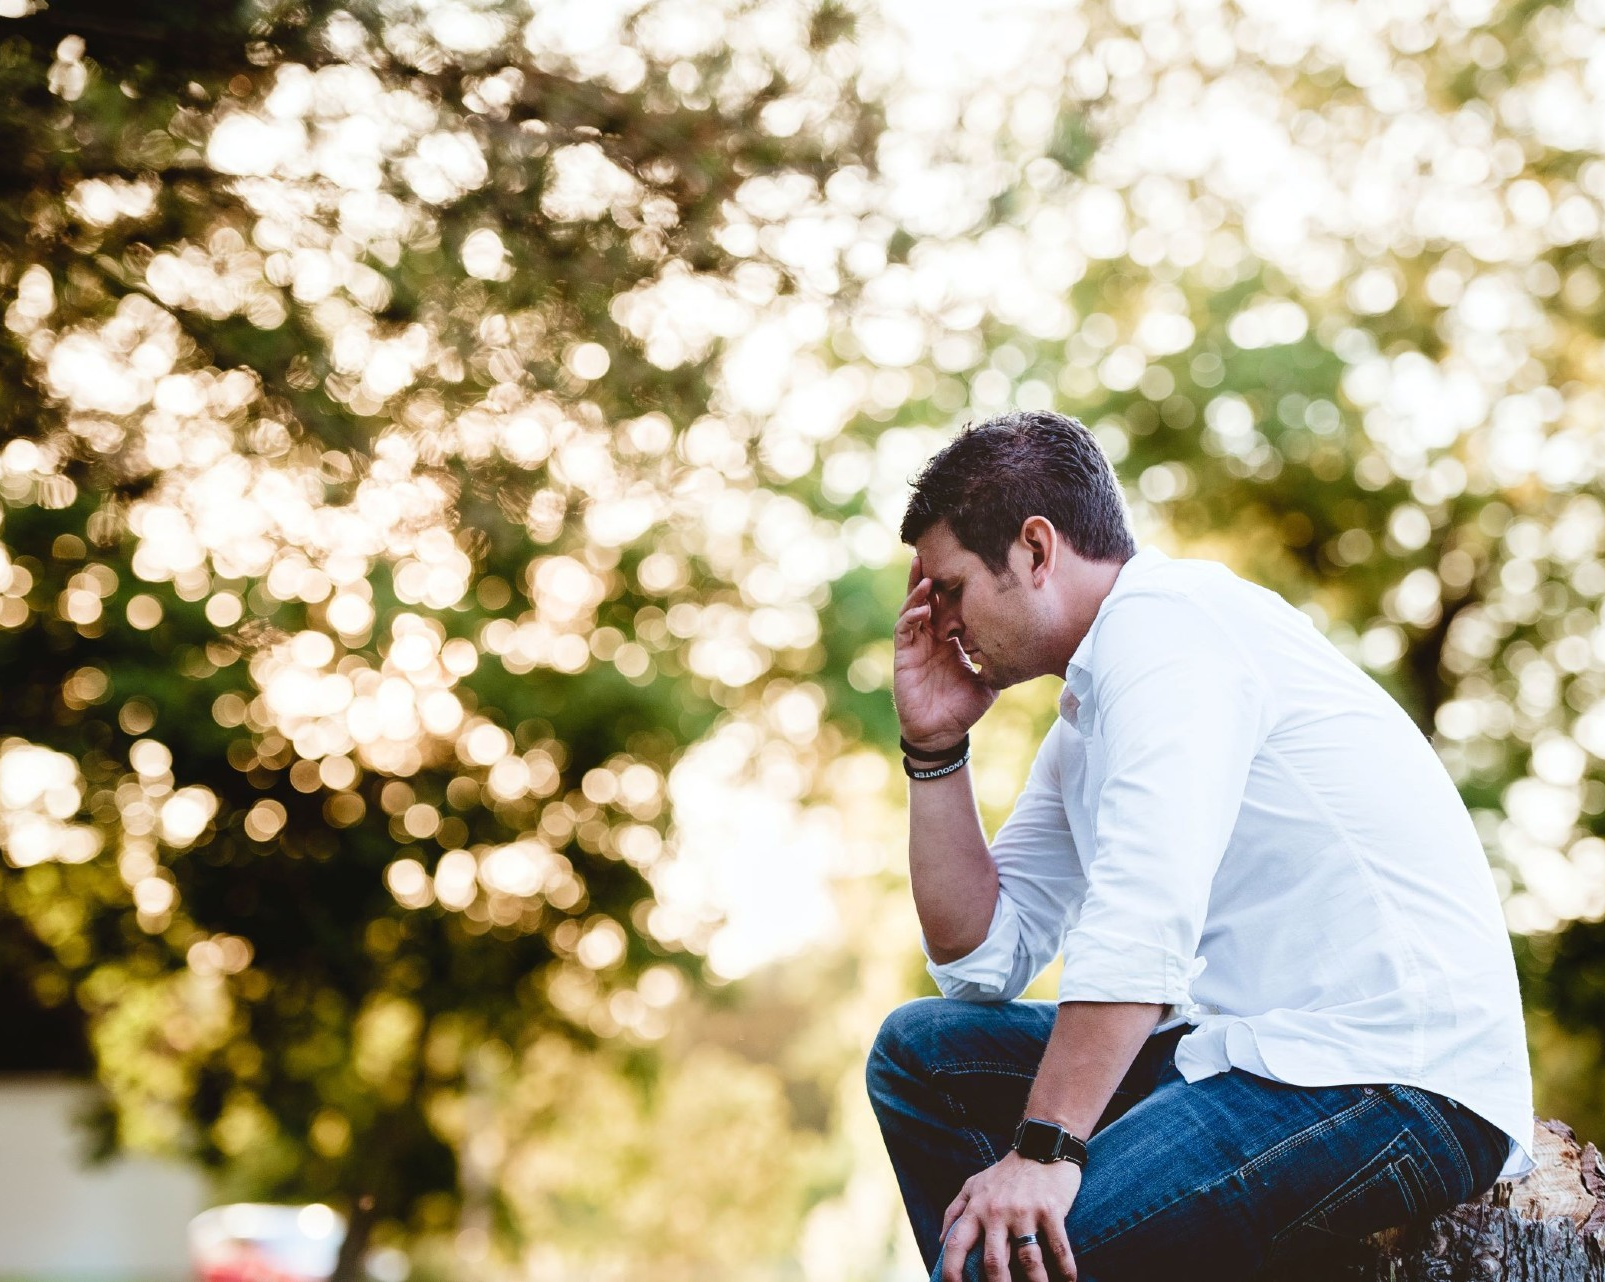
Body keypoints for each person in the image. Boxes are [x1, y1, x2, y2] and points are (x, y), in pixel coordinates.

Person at [866, 409, 1533, 1282]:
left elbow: (1143, 916)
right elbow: (983, 958)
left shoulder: (1170, 631)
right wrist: (934, 751)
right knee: (924, 1054)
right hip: (1245, 1057)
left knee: (1017, 1263)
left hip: (1390, 1080)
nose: (942, 623)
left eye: (949, 587)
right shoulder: (1090, 714)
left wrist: (1042, 1152)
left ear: (1034, 549)